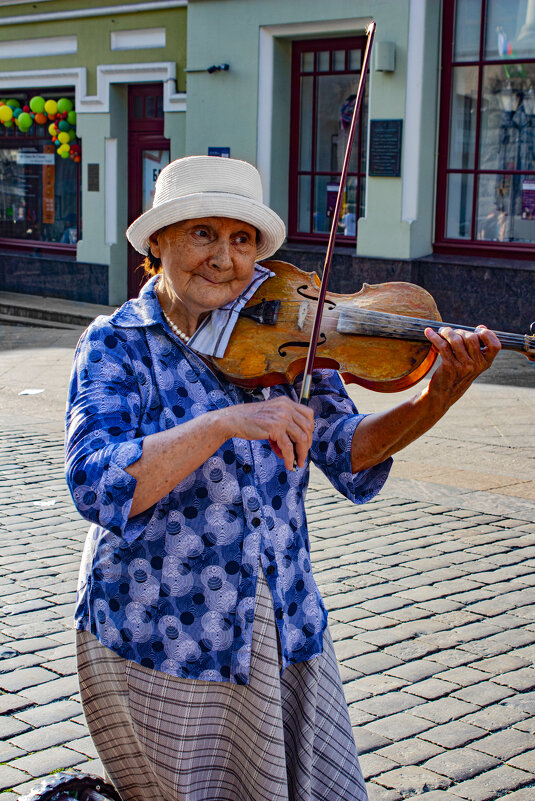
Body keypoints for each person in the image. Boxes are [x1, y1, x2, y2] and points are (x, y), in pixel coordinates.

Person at [65, 156, 501, 801]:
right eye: (202, 233)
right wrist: (221, 423)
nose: (224, 259)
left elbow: (348, 455)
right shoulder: (117, 343)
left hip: (282, 621)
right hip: (161, 634)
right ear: (157, 244)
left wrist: (438, 396)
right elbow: (97, 484)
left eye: (242, 240)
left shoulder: (288, 331)